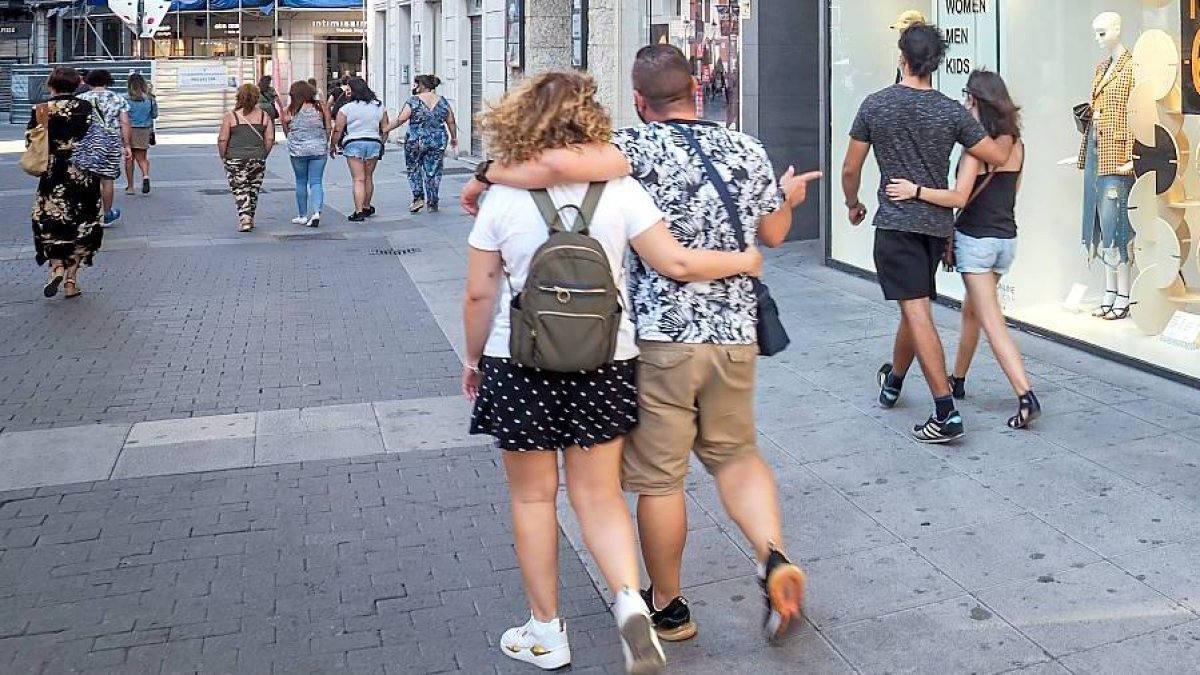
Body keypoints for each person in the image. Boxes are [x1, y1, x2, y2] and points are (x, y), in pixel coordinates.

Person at [463, 44, 820, 643]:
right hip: (734, 334)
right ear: (698, 91)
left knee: (659, 481)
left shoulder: (626, 152)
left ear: (637, 101)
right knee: (735, 456)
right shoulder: (745, 146)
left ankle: (668, 607)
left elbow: (548, 171)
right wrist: (785, 201)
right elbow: (775, 235)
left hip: (656, 340)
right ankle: (772, 557)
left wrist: (489, 174)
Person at [841, 23, 1013, 443]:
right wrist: (1002, 119)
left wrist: (853, 203)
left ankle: (945, 411)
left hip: (897, 225)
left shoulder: (876, 104)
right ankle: (895, 381)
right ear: (935, 64)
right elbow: (996, 154)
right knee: (913, 305)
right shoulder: (951, 112)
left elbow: (850, 169)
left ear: (903, 58)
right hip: (936, 229)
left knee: (916, 311)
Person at [884, 70, 1041, 429]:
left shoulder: (977, 148)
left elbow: (958, 197)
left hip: (977, 242)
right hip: (1006, 240)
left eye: (967, 98)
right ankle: (958, 379)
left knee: (992, 321)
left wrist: (916, 191)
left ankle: (1025, 395)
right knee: (972, 311)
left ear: (975, 101)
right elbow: (1011, 193)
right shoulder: (1016, 144)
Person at [29, 67, 103, 300]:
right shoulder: (87, 108)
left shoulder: (41, 110)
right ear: (76, 85)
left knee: (50, 222)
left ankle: (56, 267)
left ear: (52, 85)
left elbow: (31, 142)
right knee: (83, 225)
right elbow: (99, 138)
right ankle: (71, 281)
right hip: (83, 174)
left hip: (53, 174)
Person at [387, 74, 457, 213]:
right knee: (434, 171)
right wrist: (454, 137)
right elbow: (451, 121)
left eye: (416, 84)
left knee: (413, 168)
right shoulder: (442, 101)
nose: (414, 87)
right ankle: (432, 201)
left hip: (416, 140)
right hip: (437, 140)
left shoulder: (413, 101)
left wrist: (386, 129)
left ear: (421, 86)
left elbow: (401, 119)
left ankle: (418, 198)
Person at [77, 69, 132, 226]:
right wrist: (126, 145)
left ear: (89, 81)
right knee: (107, 179)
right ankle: (106, 214)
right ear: (107, 81)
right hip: (111, 142)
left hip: (88, 143)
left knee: (88, 179)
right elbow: (125, 123)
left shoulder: (81, 99)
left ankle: (90, 214)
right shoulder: (117, 99)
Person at [217, 83, 274, 232]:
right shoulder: (264, 116)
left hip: (235, 157)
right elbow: (269, 139)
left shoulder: (231, 116)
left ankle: (245, 218)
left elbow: (222, 139)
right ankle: (250, 216)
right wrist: (263, 154)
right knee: (253, 188)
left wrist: (224, 155)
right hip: (258, 157)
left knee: (240, 188)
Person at [330, 77, 388, 221]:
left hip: (354, 143)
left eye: (349, 90)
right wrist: (381, 142)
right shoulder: (379, 106)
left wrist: (333, 144)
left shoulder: (346, 108)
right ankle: (367, 206)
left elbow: (338, 129)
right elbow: (385, 128)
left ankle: (358, 211)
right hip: (374, 142)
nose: (347, 93)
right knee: (368, 177)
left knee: (358, 179)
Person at [282, 79, 329, 228]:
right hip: (318, 149)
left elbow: (286, 131)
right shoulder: (321, 107)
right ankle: (316, 212)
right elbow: (328, 128)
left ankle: (302, 215)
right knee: (316, 181)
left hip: (298, 151)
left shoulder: (289, 110)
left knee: (301, 181)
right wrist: (324, 141)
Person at [124, 72, 157, 195]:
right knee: (142, 158)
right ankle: (145, 176)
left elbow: (122, 116)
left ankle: (130, 186)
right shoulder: (150, 100)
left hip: (129, 130)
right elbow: (154, 115)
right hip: (144, 130)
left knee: (129, 159)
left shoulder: (125, 99)